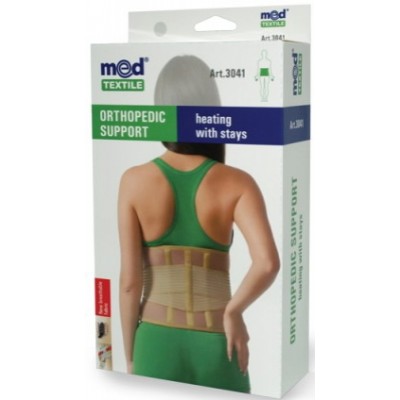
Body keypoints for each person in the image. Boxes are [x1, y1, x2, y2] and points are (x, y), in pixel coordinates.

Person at [118, 55, 280, 393]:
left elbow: (130, 284)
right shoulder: (238, 183)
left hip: (154, 342)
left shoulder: (133, 181)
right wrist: (234, 311)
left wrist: (132, 357)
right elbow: (267, 263)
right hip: (218, 343)